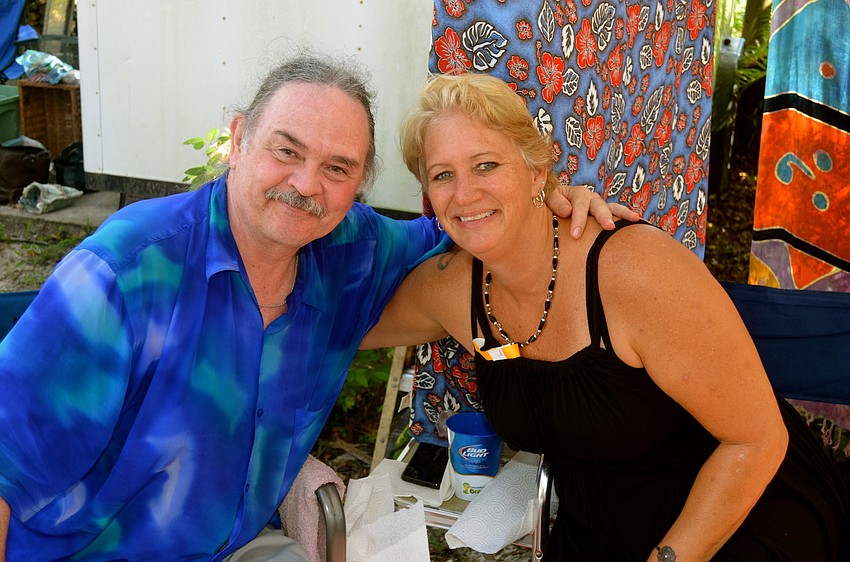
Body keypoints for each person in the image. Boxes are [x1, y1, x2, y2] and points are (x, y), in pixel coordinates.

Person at [0, 52, 628, 560]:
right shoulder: (128, 270)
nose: (306, 184)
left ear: (361, 183)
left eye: (337, 167)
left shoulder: (348, 251)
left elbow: (464, 223)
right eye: (287, 150)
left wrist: (547, 198)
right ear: (239, 138)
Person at [361, 73, 850, 561]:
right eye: (443, 174)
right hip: (597, 528)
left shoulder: (634, 270)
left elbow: (757, 440)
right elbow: (337, 330)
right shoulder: (452, 290)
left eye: (486, 165)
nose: (464, 194)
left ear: (536, 171)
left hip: (738, 515)